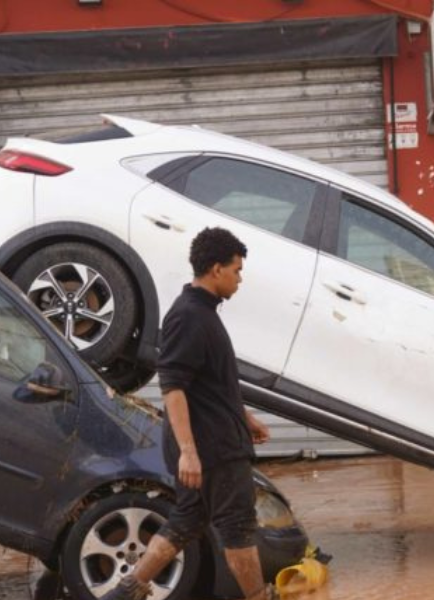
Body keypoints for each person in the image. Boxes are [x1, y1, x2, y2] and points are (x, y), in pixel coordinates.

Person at [104, 227, 274, 600]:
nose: (240, 279)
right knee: (238, 526)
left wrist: (245, 419)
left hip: (209, 444)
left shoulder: (202, 313)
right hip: (212, 450)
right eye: (236, 270)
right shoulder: (190, 317)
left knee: (187, 521)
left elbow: (211, 384)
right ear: (216, 269)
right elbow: (174, 387)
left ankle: (128, 591)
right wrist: (189, 452)